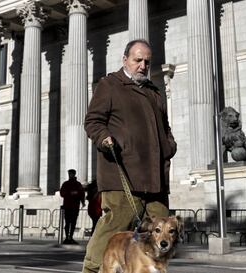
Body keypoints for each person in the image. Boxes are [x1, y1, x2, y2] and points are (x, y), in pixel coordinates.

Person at [82, 39, 177, 273]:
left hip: (155, 178)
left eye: (147, 61)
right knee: (114, 226)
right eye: (138, 60)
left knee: (161, 228)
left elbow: (165, 128)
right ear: (125, 60)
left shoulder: (154, 92)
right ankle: (92, 269)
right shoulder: (110, 85)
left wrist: (169, 146)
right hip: (121, 174)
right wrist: (105, 138)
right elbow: (93, 121)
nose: (143, 65)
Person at [60, 169, 86, 244]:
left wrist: (83, 202)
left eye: (71, 174)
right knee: (67, 222)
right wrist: (71, 193)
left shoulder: (78, 184)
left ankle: (70, 237)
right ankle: (67, 237)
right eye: (69, 174)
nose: (70, 175)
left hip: (75, 206)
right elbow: (62, 193)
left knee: (73, 222)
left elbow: (82, 194)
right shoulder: (66, 184)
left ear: (74, 174)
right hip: (67, 205)